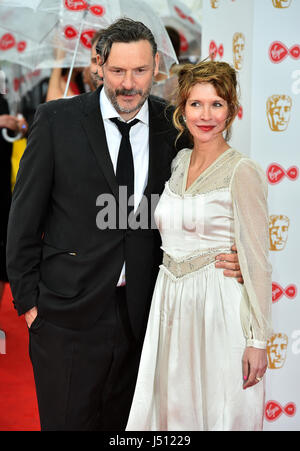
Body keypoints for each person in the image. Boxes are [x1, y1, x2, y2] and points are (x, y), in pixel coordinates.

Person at [7, 20, 241, 431]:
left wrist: (235, 256)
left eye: (140, 71)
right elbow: (22, 222)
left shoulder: (175, 127)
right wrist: (30, 307)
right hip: (66, 319)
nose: (129, 84)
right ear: (98, 65)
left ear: (156, 67)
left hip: (146, 320)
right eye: (117, 71)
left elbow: (197, 206)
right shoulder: (56, 121)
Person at [126, 61, 273, 431]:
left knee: (220, 410)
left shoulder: (243, 171)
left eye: (217, 104)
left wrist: (257, 340)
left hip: (218, 308)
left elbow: (257, 260)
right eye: (196, 104)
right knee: (172, 415)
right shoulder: (178, 161)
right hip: (171, 304)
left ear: (232, 110)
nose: (206, 115)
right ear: (182, 109)